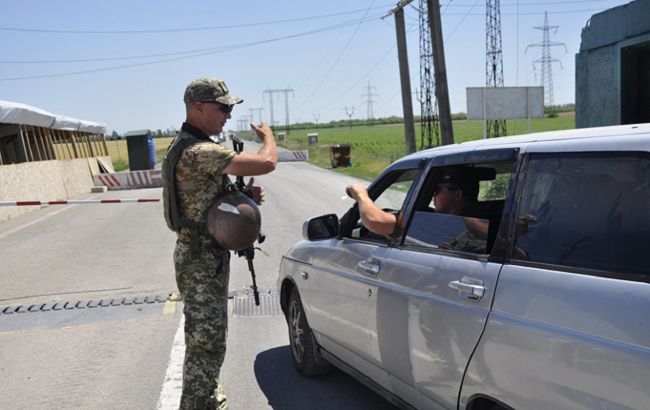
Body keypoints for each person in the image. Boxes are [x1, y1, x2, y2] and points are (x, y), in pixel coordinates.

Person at [165, 77, 277, 409]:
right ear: (198, 107)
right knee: (206, 343)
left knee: (209, 340)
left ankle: (207, 401)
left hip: (202, 257)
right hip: (201, 260)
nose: (228, 115)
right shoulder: (198, 150)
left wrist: (241, 197)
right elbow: (268, 162)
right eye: (223, 108)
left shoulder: (186, 145)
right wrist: (268, 138)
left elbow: (204, 199)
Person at [345, 167, 481, 236]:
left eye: (437, 189)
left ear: (457, 195)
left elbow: (375, 221)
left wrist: (361, 195)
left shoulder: (436, 223)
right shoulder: (485, 220)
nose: (433, 194)